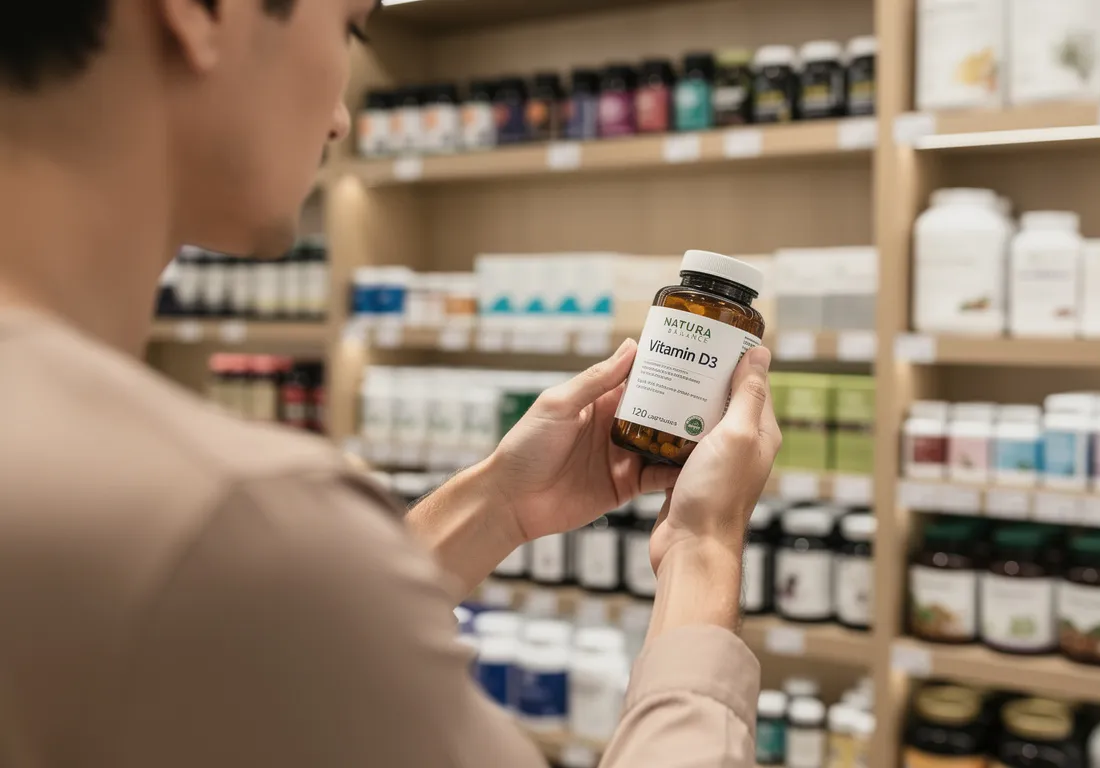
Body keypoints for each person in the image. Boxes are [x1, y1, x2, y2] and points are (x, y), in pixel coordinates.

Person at [0, 2, 781, 766]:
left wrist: (499, 505)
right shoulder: (231, 515)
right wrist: (703, 550)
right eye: (348, 28)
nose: (342, 119)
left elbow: (276, 655)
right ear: (201, 12)